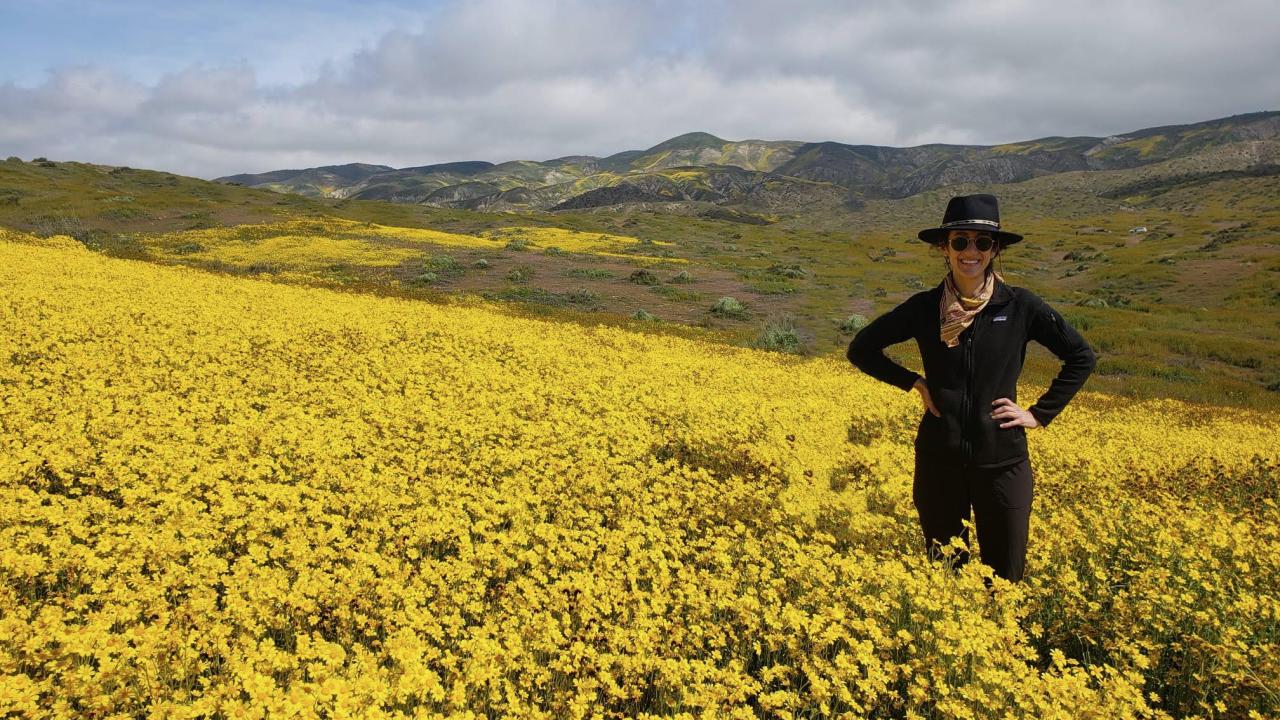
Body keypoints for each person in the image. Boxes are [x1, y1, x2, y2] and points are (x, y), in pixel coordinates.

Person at [846, 194, 1096, 584]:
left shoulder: (1021, 306)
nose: (970, 251)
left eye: (982, 242)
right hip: (939, 462)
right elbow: (861, 349)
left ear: (995, 249)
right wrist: (914, 383)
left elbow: (1081, 356)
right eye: (960, 241)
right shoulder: (924, 307)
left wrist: (1037, 414)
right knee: (946, 575)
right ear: (944, 248)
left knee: (1005, 577)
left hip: (1003, 463)